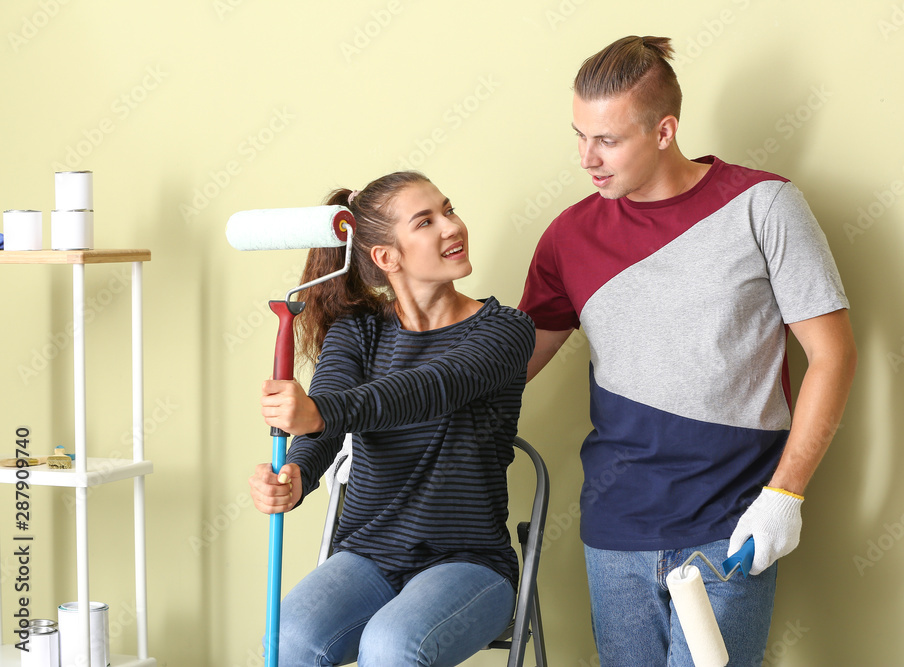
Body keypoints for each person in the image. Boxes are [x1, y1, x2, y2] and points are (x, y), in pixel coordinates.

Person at [518, 36, 857, 666]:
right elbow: (508, 370)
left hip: (730, 520)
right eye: (580, 136)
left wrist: (785, 496)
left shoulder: (764, 206)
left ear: (665, 130)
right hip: (615, 528)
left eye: (608, 141)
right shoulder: (568, 236)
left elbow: (833, 356)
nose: (587, 159)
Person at [249, 171, 535, 667]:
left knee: (390, 646)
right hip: (368, 555)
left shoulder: (505, 331)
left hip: (469, 563)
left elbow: (434, 388)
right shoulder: (357, 332)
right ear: (387, 257)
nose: (451, 226)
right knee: (286, 638)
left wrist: (319, 412)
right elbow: (325, 427)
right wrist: (296, 475)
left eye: (448, 209)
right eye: (426, 221)